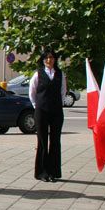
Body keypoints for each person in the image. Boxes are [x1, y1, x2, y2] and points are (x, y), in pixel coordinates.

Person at [29, 49, 66, 182]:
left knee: (55, 141)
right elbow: (32, 93)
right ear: (43, 60)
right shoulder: (37, 75)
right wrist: (37, 106)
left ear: (55, 59)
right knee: (43, 141)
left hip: (56, 112)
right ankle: (42, 172)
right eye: (46, 58)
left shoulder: (60, 74)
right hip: (41, 111)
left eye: (51, 57)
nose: (49, 60)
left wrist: (57, 105)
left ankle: (54, 171)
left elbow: (63, 92)